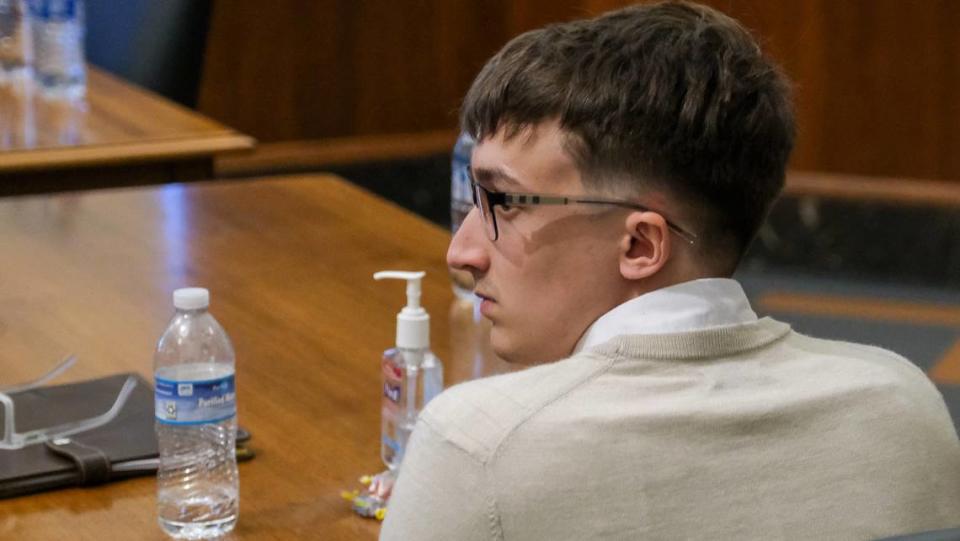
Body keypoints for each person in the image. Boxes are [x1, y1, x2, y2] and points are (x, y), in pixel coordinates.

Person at [380, 2, 960, 539]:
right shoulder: (905, 408)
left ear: (640, 245)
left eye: (503, 203)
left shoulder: (476, 445)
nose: (462, 251)